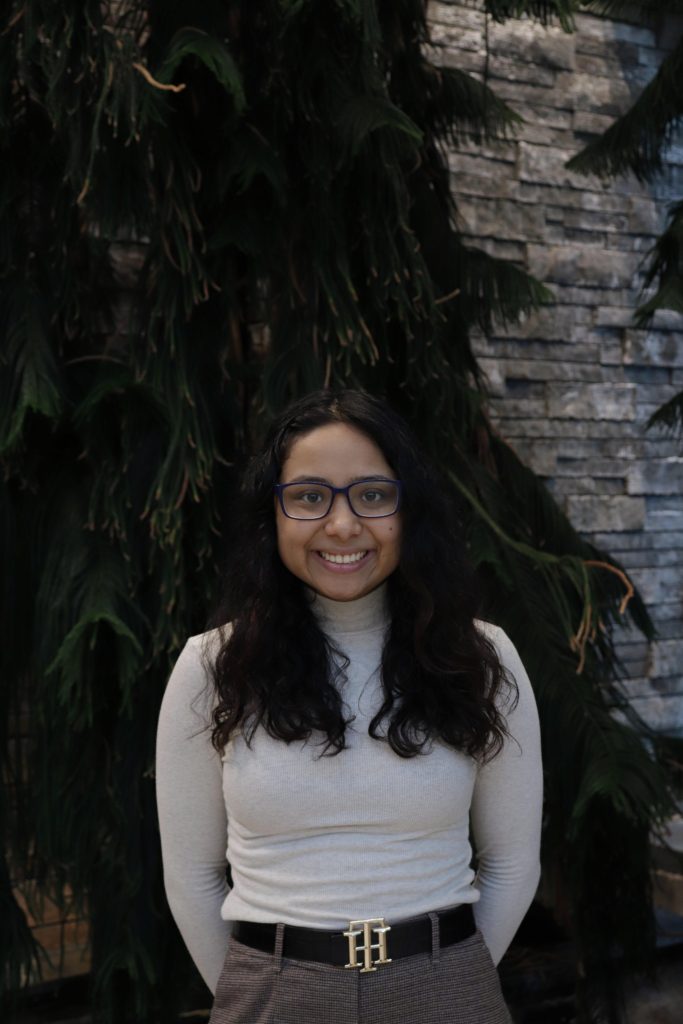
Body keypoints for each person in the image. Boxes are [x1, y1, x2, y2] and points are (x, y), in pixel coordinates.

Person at [156, 389, 543, 1024]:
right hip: (272, 997)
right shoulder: (212, 667)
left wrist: (453, 981)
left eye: (372, 494)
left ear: (407, 509)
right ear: (273, 513)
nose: (341, 525)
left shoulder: (481, 658)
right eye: (310, 496)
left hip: (447, 990)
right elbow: (192, 880)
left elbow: (512, 865)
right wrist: (259, 994)